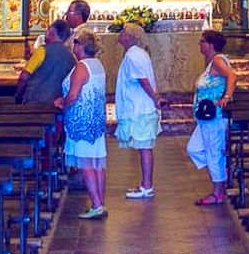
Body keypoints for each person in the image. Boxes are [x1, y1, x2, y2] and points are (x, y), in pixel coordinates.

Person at [54, 29, 108, 219]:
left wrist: (62, 101)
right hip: (96, 120)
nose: (73, 46)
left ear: (81, 46)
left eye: (75, 43)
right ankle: (100, 202)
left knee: (86, 164)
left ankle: (95, 205)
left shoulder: (81, 67)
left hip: (82, 121)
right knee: (97, 163)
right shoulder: (97, 65)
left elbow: (75, 95)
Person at [187, 28, 237, 206]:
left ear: (211, 45)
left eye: (202, 41)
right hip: (205, 118)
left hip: (214, 117)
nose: (199, 44)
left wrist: (227, 97)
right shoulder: (212, 62)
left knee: (213, 152)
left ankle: (218, 192)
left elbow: (232, 75)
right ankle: (221, 177)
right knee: (194, 148)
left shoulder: (217, 60)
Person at [114, 22, 160, 198]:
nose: (121, 34)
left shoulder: (134, 55)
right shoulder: (137, 54)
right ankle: (145, 184)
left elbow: (143, 80)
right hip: (140, 107)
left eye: (124, 32)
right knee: (143, 147)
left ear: (131, 37)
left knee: (144, 147)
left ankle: (147, 186)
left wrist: (156, 99)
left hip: (140, 109)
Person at [17, 20, 75, 104]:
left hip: (35, 102)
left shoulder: (42, 50)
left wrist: (18, 94)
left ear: (51, 33)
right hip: (57, 104)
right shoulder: (70, 56)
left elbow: (24, 76)